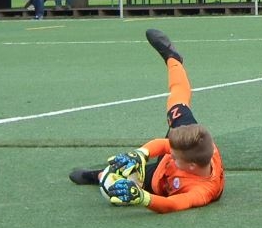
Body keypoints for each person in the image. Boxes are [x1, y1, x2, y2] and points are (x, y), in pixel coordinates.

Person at [69, 29, 225, 213]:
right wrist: (140, 154)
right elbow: (163, 145)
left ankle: (98, 176)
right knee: (177, 103)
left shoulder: (203, 190)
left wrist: (142, 198)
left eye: (174, 156)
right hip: (181, 154)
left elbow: (172, 204)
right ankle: (173, 59)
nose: (170, 154)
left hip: (160, 181)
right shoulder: (196, 144)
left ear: (191, 165)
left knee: (121, 179)